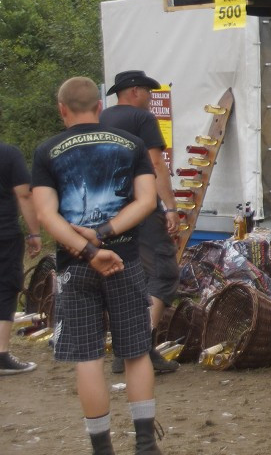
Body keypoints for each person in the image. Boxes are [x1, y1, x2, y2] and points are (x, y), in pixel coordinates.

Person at [31, 77, 161, 455]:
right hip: (126, 258)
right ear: (99, 108)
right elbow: (146, 201)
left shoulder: (47, 150)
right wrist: (104, 233)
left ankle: (102, 448)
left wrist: (86, 249)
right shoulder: (132, 144)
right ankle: (145, 445)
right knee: (136, 353)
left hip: (75, 266)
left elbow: (45, 213)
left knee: (87, 357)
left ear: (62, 109)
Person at [99, 70, 181, 375]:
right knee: (163, 271)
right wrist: (169, 207)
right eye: (147, 91)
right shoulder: (142, 120)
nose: (150, 96)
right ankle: (142, 348)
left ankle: (124, 350)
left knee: (124, 275)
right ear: (133, 91)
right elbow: (157, 163)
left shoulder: (103, 119)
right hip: (141, 207)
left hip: (109, 212)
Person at [0, 137, 42, 375]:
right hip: (3, 234)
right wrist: (34, 232)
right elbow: (24, 195)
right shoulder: (8, 154)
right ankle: (1, 354)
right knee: (5, 288)